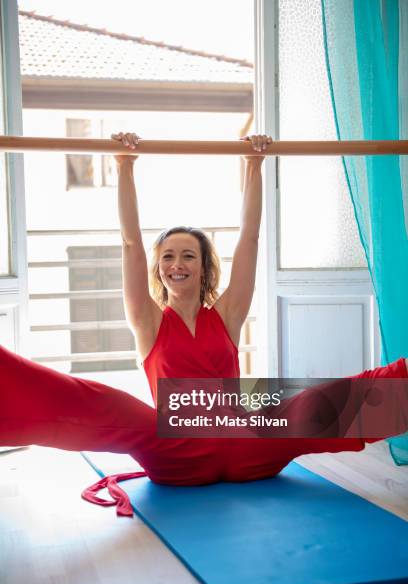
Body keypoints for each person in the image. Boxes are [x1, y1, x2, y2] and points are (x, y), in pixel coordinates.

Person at [0, 132, 407, 518]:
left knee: (307, 402)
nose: (177, 264)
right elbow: (128, 243)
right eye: (168, 257)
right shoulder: (147, 320)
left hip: (245, 447)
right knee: (109, 404)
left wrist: (254, 163)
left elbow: (249, 240)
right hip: (178, 455)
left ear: (203, 266)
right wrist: (124, 165)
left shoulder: (227, 315)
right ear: (158, 269)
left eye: (188, 256)